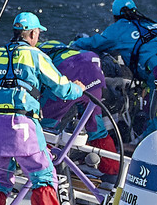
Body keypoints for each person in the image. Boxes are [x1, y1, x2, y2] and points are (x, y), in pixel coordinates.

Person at [0, 11, 85, 205]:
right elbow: (62, 88)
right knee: (42, 175)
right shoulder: (36, 56)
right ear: (33, 33)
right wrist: (78, 89)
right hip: (22, 125)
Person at [70, 0, 157, 131]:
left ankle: (145, 140)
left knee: (155, 112)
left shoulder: (118, 28)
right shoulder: (151, 22)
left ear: (115, 16)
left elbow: (94, 43)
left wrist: (74, 44)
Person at [38, 40, 120, 177]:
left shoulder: (37, 54)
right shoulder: (66, 48)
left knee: (46, 129)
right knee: (96, 128)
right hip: (93, 69)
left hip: (67, 73)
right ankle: (113, 170)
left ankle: (41, 169)